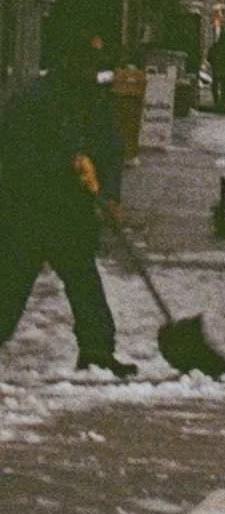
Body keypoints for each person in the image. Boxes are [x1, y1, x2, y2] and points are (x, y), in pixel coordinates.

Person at [0, 38, 133, 376]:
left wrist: (112, 195)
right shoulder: (34, 100)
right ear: (69, 62)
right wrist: (65, 162)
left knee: (84, 282)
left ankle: (98, 353)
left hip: (71, 213)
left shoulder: (94, 102)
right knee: (12, 284)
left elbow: (110, 148)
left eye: (95, 64)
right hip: (29, 211)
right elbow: (12, 153)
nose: (92, 70)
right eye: (87, 63)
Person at [205, 23, 225, 116]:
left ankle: (216, 101)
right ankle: (223, 102)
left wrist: (213, 63)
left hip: (216, 69)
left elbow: (209, 57)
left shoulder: (215, 46)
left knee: (215, 85)